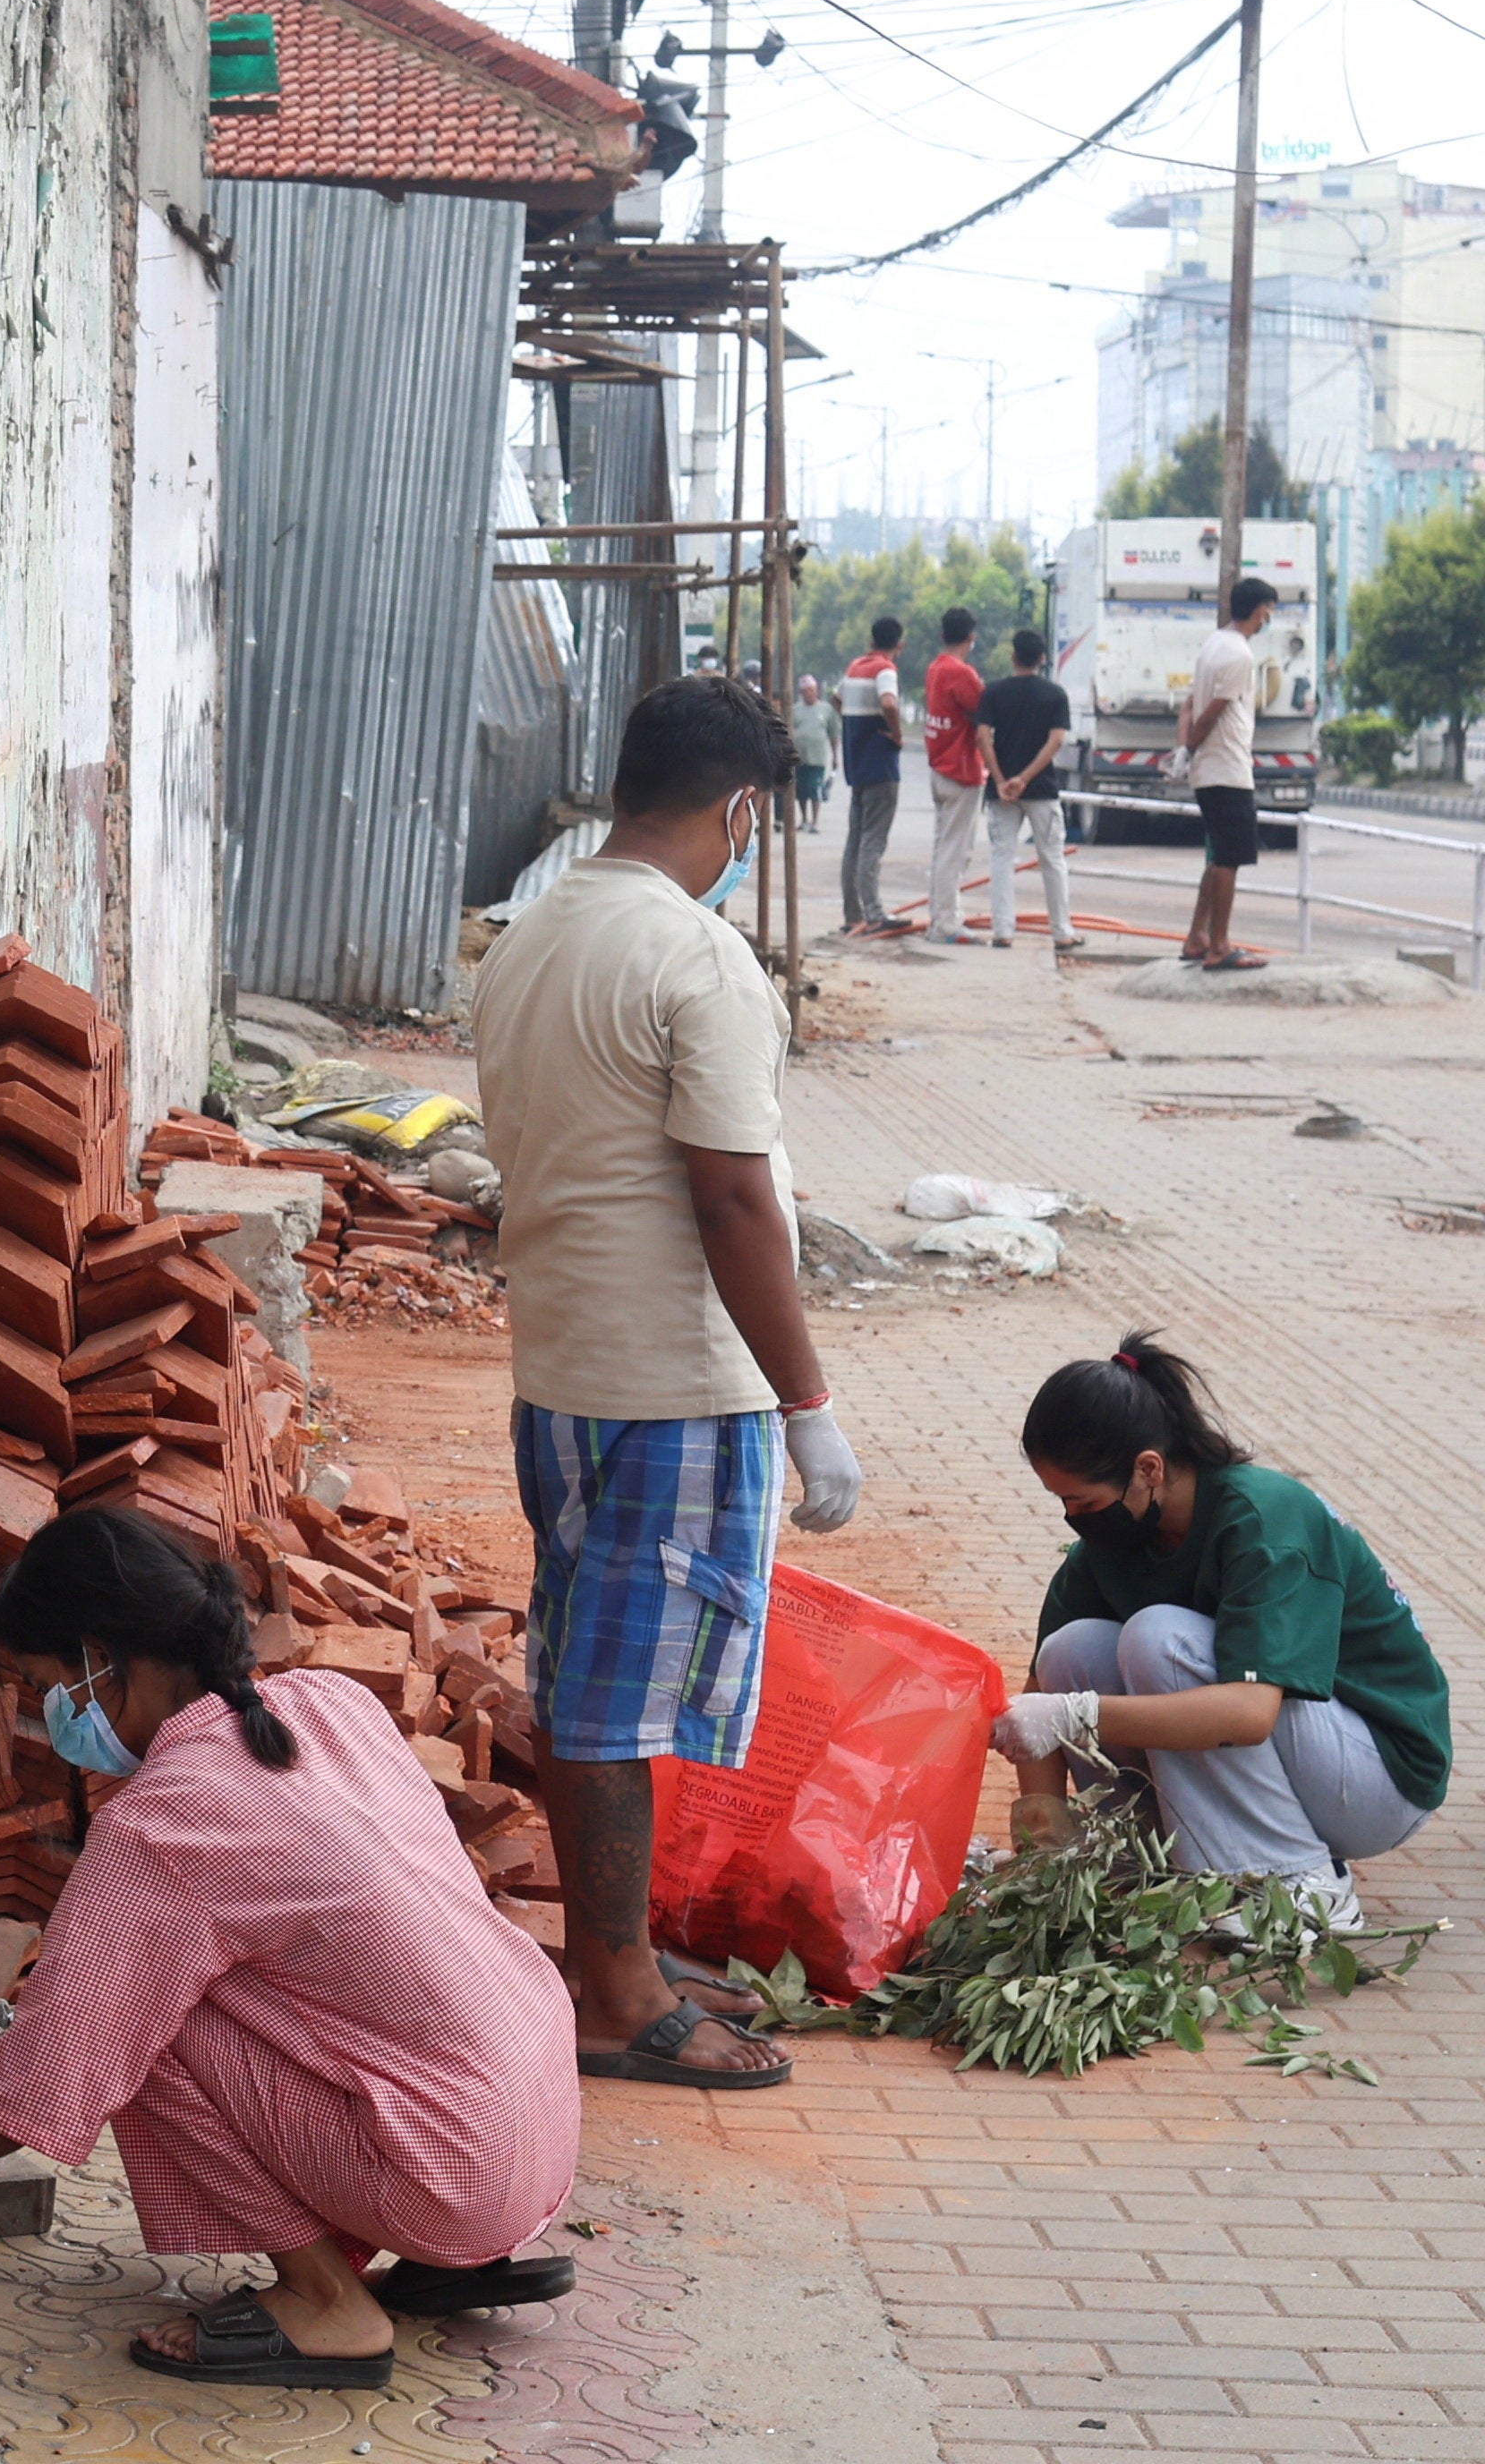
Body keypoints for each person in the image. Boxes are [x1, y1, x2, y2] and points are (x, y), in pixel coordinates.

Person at [0, 1509, 584, 2389]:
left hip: (448, 2171)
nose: (53, 1716)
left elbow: (37, 2089)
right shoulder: (332, 1704)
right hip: (532, 2130)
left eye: (47, 1685)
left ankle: (325, 2302)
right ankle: (452, 2259)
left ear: (98, 1657)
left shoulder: (159, 1826)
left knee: (132, 2026)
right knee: (227, 1986)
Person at [470, 673, 865, 2091]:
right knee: (618, 1702)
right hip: (676, 1388)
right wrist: (809, 1405)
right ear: (743, 808)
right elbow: (736, 1203)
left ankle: (612, 1951)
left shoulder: (530, 936)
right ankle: (619, 1993)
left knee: (589, 1675)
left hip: (562, 1373)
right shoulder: (696, 959)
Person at [992, 1336, 1448, 1929]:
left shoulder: (1263, 1520)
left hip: (1377, 1779)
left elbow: (1249, 1714)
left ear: (1147, 1469)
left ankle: (1297, 1882)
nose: (1073, 1517)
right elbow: (1039, 1706)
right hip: (1302, 1759)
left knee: (1157, 1641)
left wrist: (1077, 1714)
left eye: (1082, 1500)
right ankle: (1145, 1856)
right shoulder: (1114, 1544)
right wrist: (1043, 1846)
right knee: (1071, 1651)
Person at [1177, 576, 1279, 969]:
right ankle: (1219, 946)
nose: (1270, 617)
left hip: (1211, 767)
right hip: (1227, 767)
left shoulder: (1212, 645)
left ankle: (1197, 935)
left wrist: (1184, 752)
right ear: (1260, 610)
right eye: (1269, 610)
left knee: (1219, 855)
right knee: (1229, 860)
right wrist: (1188, 748)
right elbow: (1211, 713)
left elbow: (1188, 706)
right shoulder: (1239, 656)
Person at [972, 627, 1083, 955]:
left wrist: (1002, 778)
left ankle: (1002, 931)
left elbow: (982, 737)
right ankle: (1062, 933)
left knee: (1002, 858)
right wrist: (1025, 778)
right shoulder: (1054, 695)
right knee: (1052, 859)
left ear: (1013, 657)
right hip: (1042, 789)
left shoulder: (993, 693)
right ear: (1043, 659)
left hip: (1002, 792)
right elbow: (1057, 740)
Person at [919, 607, 989, 946]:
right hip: (961, 770)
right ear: (971, 637)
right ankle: (946, 925)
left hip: (939, 767)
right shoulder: (962, 674)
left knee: (943, 849)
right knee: (955, 853)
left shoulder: (935, 669)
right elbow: (984, 713)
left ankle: (941, 918)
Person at [834, 618, 908, 933]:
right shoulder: (884, 670)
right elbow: (889, 702)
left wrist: (855, 724)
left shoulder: (854, 667)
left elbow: (836, 699)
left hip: (858, 764)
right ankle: (875, 913)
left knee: (855, 840)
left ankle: (854, 914)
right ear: (899, 646)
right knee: (873, 842)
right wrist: (896, 733)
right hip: (881, 765)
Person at [788, 674, 836, 832]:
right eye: (806, 691)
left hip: (818, 757)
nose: (809, 693)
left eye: (812, 690)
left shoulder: (826, 710)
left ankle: (815, 821)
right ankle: (804, 819)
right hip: (799, 757)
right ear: (801, 693)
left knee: (814, 788)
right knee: (801, 790)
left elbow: (833, 734)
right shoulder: (794, 710)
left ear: (816, 691)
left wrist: (835, 756)